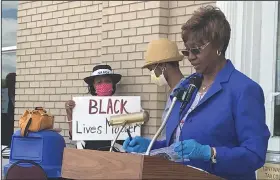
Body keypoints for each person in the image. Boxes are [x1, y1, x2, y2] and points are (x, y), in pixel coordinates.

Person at [123, 5, 270, 180]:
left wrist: (211, 153)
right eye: (186, 51)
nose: (191, 57)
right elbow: (180, 147)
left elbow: (255, 154)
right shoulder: (188, 87)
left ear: (218, 46)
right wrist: (153, 146)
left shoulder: (244, 89)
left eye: (196, 50)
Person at [65, 64, 124, 151]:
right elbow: (74, 134)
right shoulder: (84, 106)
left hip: (115, 154)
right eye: (99, 82)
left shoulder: (124, 106)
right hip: (89, 153)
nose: (103, 84)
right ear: (93, 85)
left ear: (112, 84)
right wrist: (69, 113)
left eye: (107, 81)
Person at [141, 38, 185, 137]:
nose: (152, 73)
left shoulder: (185, 92)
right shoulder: (173, 92)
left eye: (151, 69)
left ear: (162, 66)